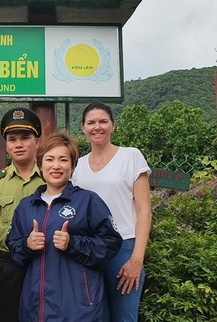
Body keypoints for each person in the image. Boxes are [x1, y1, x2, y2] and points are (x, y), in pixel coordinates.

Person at [6, 131, 123, 322]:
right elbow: (14, 250)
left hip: (79, 309)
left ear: (73, 166)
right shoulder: (26, 206)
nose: (56, 166)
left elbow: (111, 243)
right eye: (50, 159)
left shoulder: (88, 201)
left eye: (63, 160)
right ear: (40, 164)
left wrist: (73, 244)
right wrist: (27, 245)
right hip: (36, 308)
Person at [72, 102, 152, 322]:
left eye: (103, 121)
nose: (97, 127)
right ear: (83, 127)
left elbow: (144, 211)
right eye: (91, 122)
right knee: (95, 317)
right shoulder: (77, 166)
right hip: (90, 249)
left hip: (124, 247)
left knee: (124, 317)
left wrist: (136, 259)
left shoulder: (131, 157)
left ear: (113, 126)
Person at [0, 108, 43, 322]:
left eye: (25, 138)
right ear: (6, 145)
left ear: (37, 141)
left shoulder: (50, 179)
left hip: (44, 262)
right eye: (12, 139)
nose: (18, 144)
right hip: (6, 266)